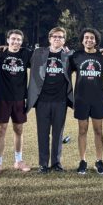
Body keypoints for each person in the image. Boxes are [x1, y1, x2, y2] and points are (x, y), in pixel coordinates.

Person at [26, 27, 74, 173]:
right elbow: (20, 55)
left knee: (58, 133)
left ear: (64, 40)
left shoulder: (68, 55)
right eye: (54, 36)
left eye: (60, 37)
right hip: (42, 100)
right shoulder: (38, 53)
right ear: (49, 38)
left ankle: (56, 163)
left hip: (60, 100)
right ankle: (43, 164)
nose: (57, 39)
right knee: (43, 132)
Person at [69, 28, 103, 174]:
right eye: (86, 37)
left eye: (92, 38)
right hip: (81, 99)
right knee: (82, 130)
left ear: (96, 41)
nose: (89, 40)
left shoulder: (102, 56)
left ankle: (99, 161)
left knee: (98, 131)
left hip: (98, 99)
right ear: (82, 40)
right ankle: (83, 161)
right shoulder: (76, 56)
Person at [0, 30, 32, 175]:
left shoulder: (26, 54)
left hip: (20, 98)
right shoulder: (0, 53)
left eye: (19, 39)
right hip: (2, 97)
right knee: (1, 129)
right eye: (13, 39)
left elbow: (43, 58)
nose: (16, 42)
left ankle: (18, 160)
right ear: (7, 40)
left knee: (19, 129)